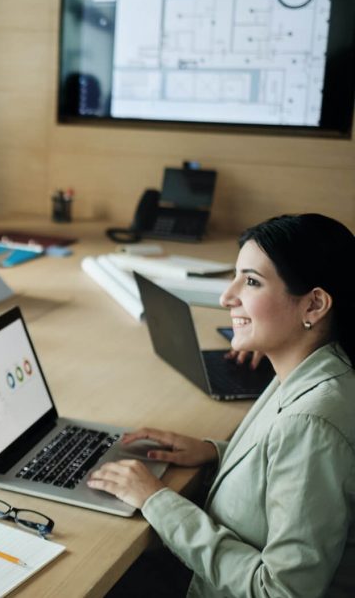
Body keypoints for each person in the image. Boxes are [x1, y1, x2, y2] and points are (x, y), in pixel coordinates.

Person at [88, 214, 355, 597]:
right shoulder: (313, 368)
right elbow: (289, 471)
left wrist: (156, 500)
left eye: (251, 281)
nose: (226, 297)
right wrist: (216, 454)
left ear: (314, 305)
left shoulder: (312, 422)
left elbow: (280, 591)